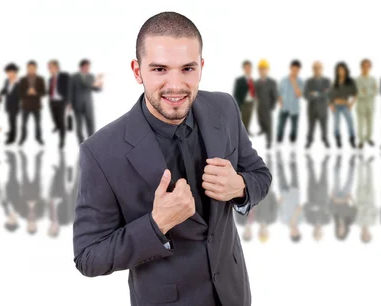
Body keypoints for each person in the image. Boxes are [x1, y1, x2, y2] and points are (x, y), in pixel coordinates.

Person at [72, 12, 271, 306]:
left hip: (234, 293)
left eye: (187, 68)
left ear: (201, 67)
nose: (175, 85)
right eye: (160, 69)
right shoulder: (101, 151)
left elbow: (260, 174)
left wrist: (240, 187)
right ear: (138, 71)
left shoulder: (224, 108)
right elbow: (88, 256)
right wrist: (156, 224)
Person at [69, 59, 103, 144]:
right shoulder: (74, 77)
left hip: (88, 104)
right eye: (86, 66)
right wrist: (69, 103)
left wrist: (99, 85)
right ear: (82, 67)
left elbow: (94, 89)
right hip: (77, 104)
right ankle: (81, 143)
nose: (88, 68)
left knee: (90, 123)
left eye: (89, 67)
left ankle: (91, 143)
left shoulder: (90, 76)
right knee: (79, 125)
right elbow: (70, 90)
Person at [303, 61, 331, 149]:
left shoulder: (327, 81)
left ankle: (325, 139)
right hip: (311, 109)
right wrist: (320, 93)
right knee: (310, 127)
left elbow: (328, 94)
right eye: (315, 68)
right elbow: (305, 95)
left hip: (323, 108)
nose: (317, 69)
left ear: (322, 69)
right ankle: (309, 141)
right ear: (312, 69)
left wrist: (314, 94)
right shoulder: (308, 81)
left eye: (319, 67)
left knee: (324, 126)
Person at [329, 62, 357, 148]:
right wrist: (331, 105)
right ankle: (338, 139)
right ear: (337, 71)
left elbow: (355, 94)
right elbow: (330, 96)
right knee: (336, 124)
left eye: (342, 69)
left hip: (345, 105)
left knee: (350, 122)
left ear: (346, 70)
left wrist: (351, 104)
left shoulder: (351, 81)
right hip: (335, 105)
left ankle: (352, 139)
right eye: (339, 70)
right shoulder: (335, 82)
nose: (341, 71)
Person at [18, 60, 46, 146]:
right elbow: (19, 93)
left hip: (36, 106)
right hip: (25, 105)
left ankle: (39, 138)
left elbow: (44, 92)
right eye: (29, 68)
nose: (31, 70)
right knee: (23, 123)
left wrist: (36, 93)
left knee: (38, 123)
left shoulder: (40, 79)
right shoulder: (22, 79)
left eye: (33, 68)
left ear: (36, 69)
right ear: (27, 69)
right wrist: (27, 92)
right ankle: (22, 138)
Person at [276, 60, 304, 146]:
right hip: (284, 107)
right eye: (293, 69)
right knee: (280, 125)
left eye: (297, 70)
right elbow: (279, 92)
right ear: (290, 68)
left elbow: (299, 94)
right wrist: (280, 101)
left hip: (294, 108)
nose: (295, 71)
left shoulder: (300, 81)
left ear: (299, 70)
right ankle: (279, 141)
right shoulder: (283, 80)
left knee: (294, 127)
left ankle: (293, 142)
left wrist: (294, 82)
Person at [254, 59, 279, 149]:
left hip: (267, 107)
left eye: (264, 69)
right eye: (260, 69)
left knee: (268, 124)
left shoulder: (271, 82)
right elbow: (256, 94)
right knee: (260, 119)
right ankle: (262, 129)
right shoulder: (256, 82)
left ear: (267, 70)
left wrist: (271, 106)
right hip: (259, 106)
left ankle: (269, 141)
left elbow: (275, 96)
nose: (262, 71)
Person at [355, 59, 378, 149]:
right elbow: (358, 93)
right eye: (364, 66)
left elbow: (376, 92)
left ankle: (368, 138)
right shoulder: (357, 80)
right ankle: (361, 141)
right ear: (361, 67)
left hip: (371, 105)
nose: (366, 68)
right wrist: (370, 91)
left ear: (370, 67)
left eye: (368, 66)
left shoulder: (373, 79)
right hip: (361, 105)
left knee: (370, 123)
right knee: (360, 124)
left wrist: (365, 91)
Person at [47, 60, 71, 149]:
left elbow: (69, 88)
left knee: (61, 120)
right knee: (54, 117)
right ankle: (57, 126)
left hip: (61, 101)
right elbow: (50, 89)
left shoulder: (64, 76)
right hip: (52, 101)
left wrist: (69, 101)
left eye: (51, 67)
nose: (50, 69)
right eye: (49, 67)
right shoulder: (50, 79)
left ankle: (62, 139)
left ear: (57, 67)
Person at [232, 60, 255, 134]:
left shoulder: (252, 80)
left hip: (251, 102)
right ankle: (242, 134)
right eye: (246, 68)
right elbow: (236, 93)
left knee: (249, 118)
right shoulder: (239, 80)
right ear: (244, 69)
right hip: (243, 103)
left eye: (249, 67)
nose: (248, 69)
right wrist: (238, 104)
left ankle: (247, 131)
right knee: (243, 119)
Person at [0, 63, 21, 145]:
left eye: (11, 72)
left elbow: (20, 95)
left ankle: (12, 138)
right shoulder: (6, 81)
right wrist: (0, 94)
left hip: (15, 106)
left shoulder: (19, 82)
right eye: (8, 72)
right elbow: (5, 90)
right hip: (8, 104)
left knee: (13, 122)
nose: (9, 74)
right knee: (10, 120)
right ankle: (11, 131)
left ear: (15, 72)